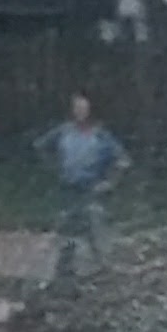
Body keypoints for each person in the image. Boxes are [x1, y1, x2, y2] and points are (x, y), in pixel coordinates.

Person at [38, 93, 128, 280]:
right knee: (67, 225)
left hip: (90, 188)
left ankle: (102, 263)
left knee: (93, 223)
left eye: (84, 109)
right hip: (68, 187)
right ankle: (65, 267)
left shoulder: (100, 135)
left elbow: (122, 160)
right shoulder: (63, 132)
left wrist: (109, 182)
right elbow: (41, 146)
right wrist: (55, 167)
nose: (80, 113)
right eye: (77, 108)